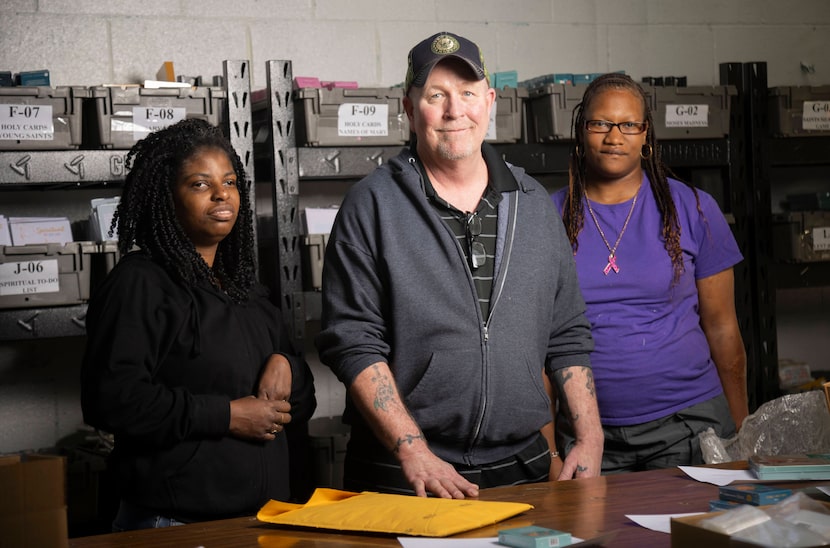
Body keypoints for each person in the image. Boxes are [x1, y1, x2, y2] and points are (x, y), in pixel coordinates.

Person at [315, 31, 603, 499]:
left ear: (489, 101)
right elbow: (353, 342)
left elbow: (567, 331)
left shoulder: (531, 203)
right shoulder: (371, 205)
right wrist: (413, 451)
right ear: (410, 109)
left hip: (521, 466)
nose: (455, 111)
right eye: (436, 96)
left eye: (468, 93)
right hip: (404, 473)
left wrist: (590, 436)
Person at [80, 118, 316, 530]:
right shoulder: (141, 283)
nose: (222, 194)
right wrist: (226, 415)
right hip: (172, 523)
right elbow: (111, 399)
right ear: (166, 197)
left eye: (229, 182)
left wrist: (288, 366)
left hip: (262, 521)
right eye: (200, 184)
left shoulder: (246, 291)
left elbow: (304, 401)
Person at [552, 73, 749, 473]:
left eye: (629, 125)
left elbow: (723, 328)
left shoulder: (693, 208)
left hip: (689, 426)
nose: (614, 137)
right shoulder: (549, 216)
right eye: (600, 123)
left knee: (694, 534)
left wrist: (741, 432)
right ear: (581, 131)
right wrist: (551, 455)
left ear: (646, 135)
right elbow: (535, 349)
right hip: (587, 436)